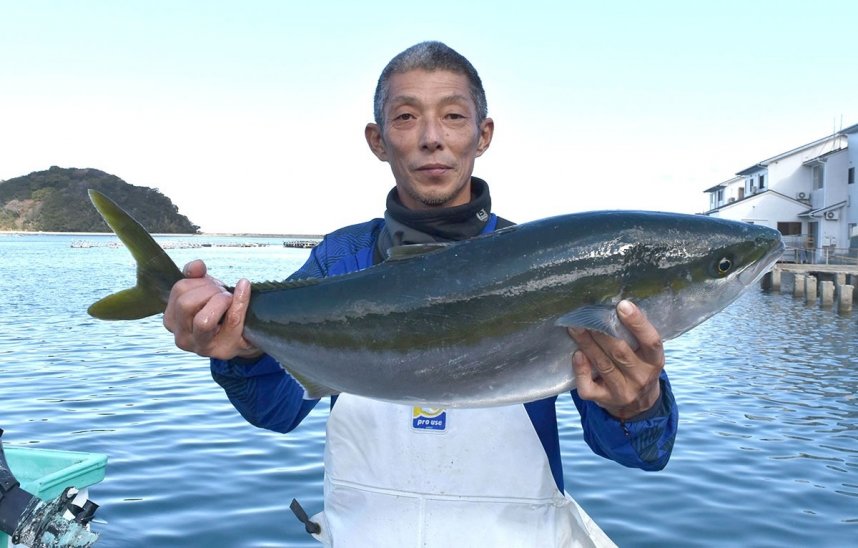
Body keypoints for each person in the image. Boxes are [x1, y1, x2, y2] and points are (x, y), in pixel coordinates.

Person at [164, 41, 677, 547]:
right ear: (378, 139)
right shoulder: (340, 261)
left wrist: (639, 405)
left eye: (453, 116)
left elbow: (643, 455)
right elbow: (277, 411)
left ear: (483, 134)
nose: (432, 138)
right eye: (407, 117)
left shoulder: (549, 262)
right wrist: (241, 351)